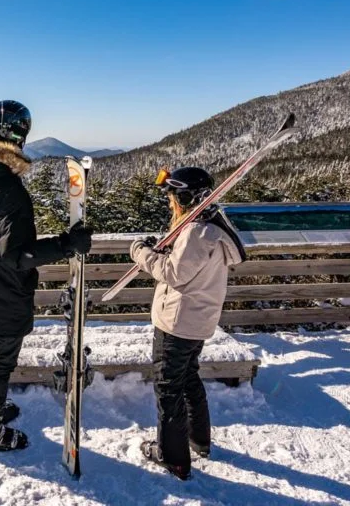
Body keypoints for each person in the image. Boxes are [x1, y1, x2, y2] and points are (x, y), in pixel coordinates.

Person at [0, 99, 94, 453]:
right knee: (0, 361)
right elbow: (17, 256)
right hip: (2, 292)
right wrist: (67, 244)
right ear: (20, 138)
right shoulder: (8, 190)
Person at [130, 166, 246, 480]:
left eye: (172, 197)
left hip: (177, 322)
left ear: (185, 196)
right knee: (188, 379)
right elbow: (186, 265)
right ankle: (198, 441)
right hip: (198, 319)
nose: (170, 204)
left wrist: (141, 253)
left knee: (168, 389)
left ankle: (173, 457)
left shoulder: (197, 232)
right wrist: (165, 248)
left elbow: (173, 273)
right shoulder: (211, 229)